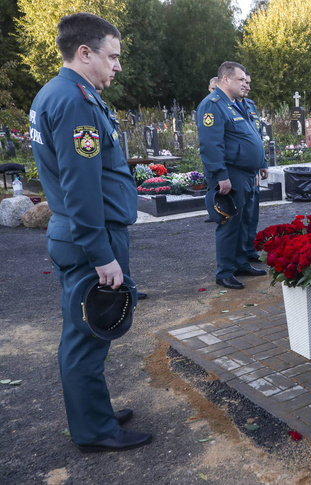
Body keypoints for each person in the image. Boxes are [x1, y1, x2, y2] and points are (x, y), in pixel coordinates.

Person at [29, 12, 151, 452]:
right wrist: (102, 254)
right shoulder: (76, 100)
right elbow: (80, 191)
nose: (118, 66)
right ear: (85, 53)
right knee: (86, 335)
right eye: (112, 56)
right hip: (88, 237)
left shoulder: (57, 92)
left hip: (76, 234)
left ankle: (94, 413)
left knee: (86, 331)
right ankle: (96, 431)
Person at [198, 61, 267, 289]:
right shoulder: (213, 105)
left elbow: (250, 136)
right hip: (231, 173)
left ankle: (240, 263)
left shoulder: (235, 105)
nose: (244, 83)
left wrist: (259, 162)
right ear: (225, 80)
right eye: (240, 80)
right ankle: (224, 271)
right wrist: (220, 175)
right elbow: (210, 145)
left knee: (242, 221)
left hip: (245, 173)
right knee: (229, 222)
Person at [238, 71, 268, 262]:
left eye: (249, 82)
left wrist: (263, 163)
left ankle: (250, 249)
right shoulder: (229, 107)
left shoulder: (250, 106)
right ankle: (240, 253)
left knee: (252, 213)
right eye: (244, 82)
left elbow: (257, 136)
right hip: (241, 171)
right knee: (242, 215)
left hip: (254, 170)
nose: (248, 86)